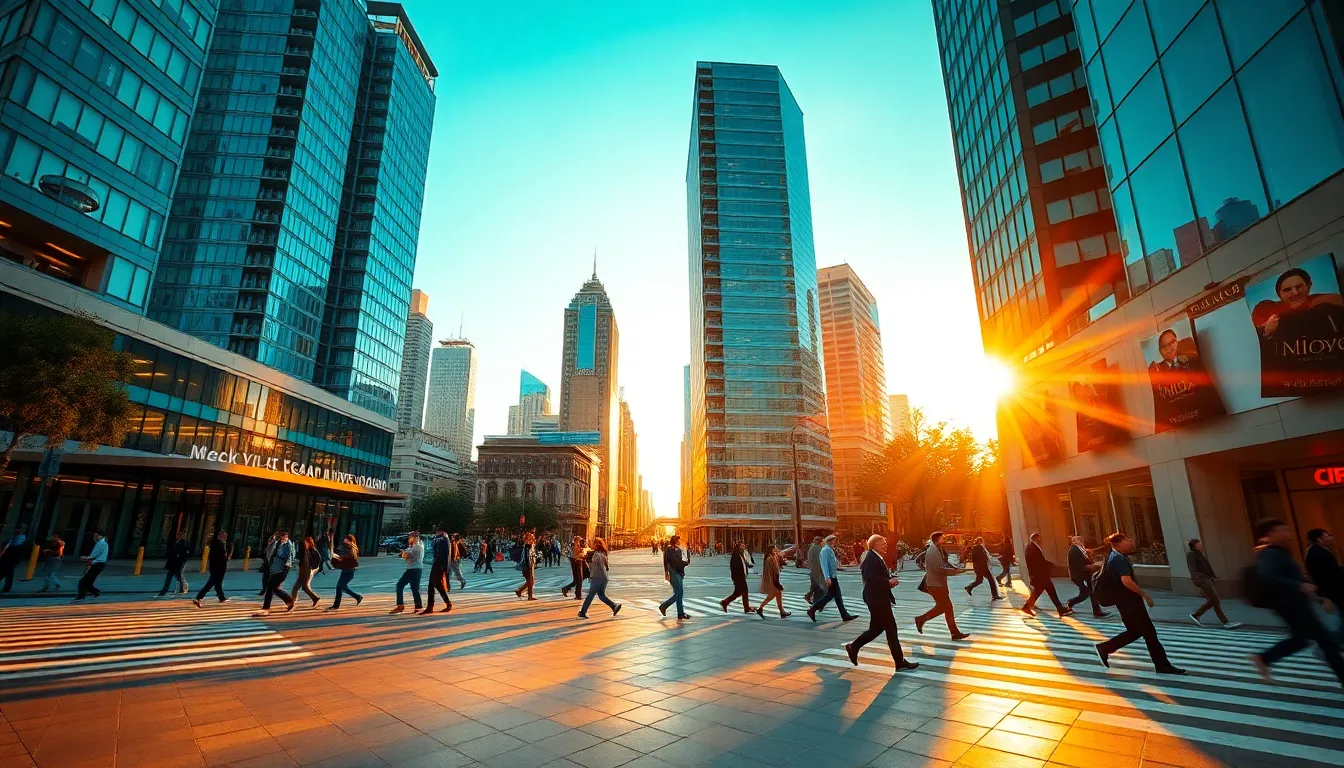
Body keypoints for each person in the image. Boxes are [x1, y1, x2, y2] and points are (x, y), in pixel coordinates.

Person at [1251, 519, 1344, 685]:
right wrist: (1299, 585)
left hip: (1296, 604)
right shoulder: (1271, 553)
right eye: (1283, 530)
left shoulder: (1281, 552)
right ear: (1271, 533)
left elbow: (1289, 576)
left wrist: (1314, 594)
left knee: (1304, 639)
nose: (1288, 534)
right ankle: (1264, 658)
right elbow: (1267, 576)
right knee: (1327, 644)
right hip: (1291, 606)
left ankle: (1265, 658)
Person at [1093, 533, 1185, 674]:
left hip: (1124, 602)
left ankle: (1105, 648)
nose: (1131, 541)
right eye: (1127, 539)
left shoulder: (1113, 556)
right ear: (1119, 543)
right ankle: (1162, 665)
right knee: (1149, 633)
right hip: (1130, 602)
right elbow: (1126, 580)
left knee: (1136, 631)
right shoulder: (1118, 559)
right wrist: (1145, 595)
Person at [844, 535, 919, 672]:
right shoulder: (871, 558)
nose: (885, 545)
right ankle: (900, 662)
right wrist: (887, 582)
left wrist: (889, 581)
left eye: (885, 543)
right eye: (882, 543)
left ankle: (854, 647)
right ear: (874, 544)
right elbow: (871, 580)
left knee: (876, 629)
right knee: (891, 630)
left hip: (877, 598)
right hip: (877, 600)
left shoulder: (876, 557)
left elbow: (876, 578)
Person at [914, 532, 969, 639]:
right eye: (942, 538)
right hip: (935, 584)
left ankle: (954, 632)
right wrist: (954, 572)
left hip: (938, 584)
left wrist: (954, 569)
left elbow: (943, 564)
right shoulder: (932, 551)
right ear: (936, 539)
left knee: (945, 608)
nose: (943, 539)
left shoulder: (937, 549)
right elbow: (937, 568)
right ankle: (921, 619)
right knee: (945, 607)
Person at [1186, 538, 1240, 629]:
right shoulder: (1191, 555)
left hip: (1207, 580)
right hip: (1203, 580)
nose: (1200, 545)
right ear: (1194, 546)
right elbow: (1193, 569)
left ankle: (1226, 622)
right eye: (1198, 544)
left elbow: (1205, 568)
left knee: (1214, 601)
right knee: (1215, 599)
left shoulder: (1199, 554)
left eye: (1200, 544)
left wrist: (1212, 577)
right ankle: (1196, 615)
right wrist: (1197, 580)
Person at [1022, 532, 1073, 618]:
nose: (1040, 540)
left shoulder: (1032, 546)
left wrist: (1050, 564)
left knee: (1042, 591)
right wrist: (1050, 565)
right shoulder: (1032, 548)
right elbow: (1037, 562)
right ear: (1036, 538)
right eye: (1039, 538)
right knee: (1050, 591)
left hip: (1040, 575)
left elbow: (1039, 561)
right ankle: (1060, 609)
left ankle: (1027, 607)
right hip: (1040, 575)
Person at [808, 534, 857, 622]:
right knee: (834, 596)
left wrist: (840, 567)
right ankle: (813, 609)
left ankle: (844, 615)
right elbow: (824, 564)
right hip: (831, 577)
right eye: (833, 540)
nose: (834, 542)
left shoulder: (829, 549)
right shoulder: (825, 550)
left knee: (835, 596)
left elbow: (833, 562)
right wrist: (827, 577)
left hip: (832, 576)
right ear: (829, 541)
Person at [1065, 535, 1108, 618]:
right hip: (1079, 576)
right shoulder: (1074, 550)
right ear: (1075, 542)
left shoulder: (1080, 550)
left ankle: (1097, 611)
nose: (1082, 542)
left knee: (1091, 593)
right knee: (1085, 593)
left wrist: (1094, 564)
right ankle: (1070, 603)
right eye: (1080, 540)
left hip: (1084, 575)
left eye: (1082, 540)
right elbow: (1079, 565)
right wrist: (1093, 566)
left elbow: (1085, 561)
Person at [578, 537, 622, 618]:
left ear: (597, 545)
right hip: (603, 577)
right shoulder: (602, 553)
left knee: (591, 594)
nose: (592, 545)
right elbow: (605, 565)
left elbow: (596, 562)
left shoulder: (597, 554)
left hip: (597, 577)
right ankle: (614, 606)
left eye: (594, 544)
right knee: (601, 595)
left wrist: (586, 557)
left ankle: (582, 612)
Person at [256, 531, 295, 616]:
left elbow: (288, 557)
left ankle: (266, 607)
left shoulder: (288, 545)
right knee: (275, 588)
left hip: (282, 569)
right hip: (276, 568)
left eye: (283, 537)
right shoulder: (279, 544)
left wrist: (284, 564)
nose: (281, 539)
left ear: (286, 537)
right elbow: (270, 553)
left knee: (270, 587)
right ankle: (289, 602)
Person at [1305, 528, 1344, 612]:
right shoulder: (1320, 552)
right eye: (1328, 535)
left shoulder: (1314, 551)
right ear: (1320, 539)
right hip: (1333, 595)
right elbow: (1332, 575)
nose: (1332, 538)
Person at [193, 530, 233, 607]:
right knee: (210, 584)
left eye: (226, 536)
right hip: (217, 567)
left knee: (218, 583)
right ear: (219, 536)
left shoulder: (220, 543)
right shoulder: (217, 543)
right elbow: (220, 556)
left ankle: (221, 597)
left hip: (218, 567)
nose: (225, 538)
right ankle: (198, 598)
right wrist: (227, 556)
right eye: (224, 536)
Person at [391, 531, 424, 614]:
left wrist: (404, 553)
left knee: (400, 585)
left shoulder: (417, 546)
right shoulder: (417, 545)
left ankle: (400, 605)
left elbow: (412, 556)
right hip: (416, 569)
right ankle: (418, 606)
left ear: (414, 537)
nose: (409, 539)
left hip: (412, 569)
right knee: (414, 589)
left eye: (410, 537)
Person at [327, 534, 363, 610]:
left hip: (350, 572)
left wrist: (337, 556)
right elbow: (342, 556)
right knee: (342, 587)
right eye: (345, 540)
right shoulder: (346, 547)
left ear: (351, 542)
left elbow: (346, 557)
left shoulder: (351, 549)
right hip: (345, 570)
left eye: (347, 540)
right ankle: (358, 597)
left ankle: (336, 605)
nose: (345, 541)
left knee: (339, 587)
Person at [754, 544, 790, 618]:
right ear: (771, 550)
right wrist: (774, 582)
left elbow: (779, 566)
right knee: (772, 595)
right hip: (772, 580)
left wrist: (780, 558)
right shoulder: (769, 559)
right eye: (774, 549)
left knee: (778, 594)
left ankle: (782, 611)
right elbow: (770, 572)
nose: (776, 550)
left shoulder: (773, 557)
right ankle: (760, 608)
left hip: (775, 579)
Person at [659, 534, 690, 619]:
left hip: (678, 573)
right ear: (676, 541)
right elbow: (678, 562)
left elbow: (682, 561)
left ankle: (679, 612)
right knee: (679, 593)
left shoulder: (676, 549)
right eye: (678, 540)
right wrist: (666, 573)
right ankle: (666, 607)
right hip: (675, 573)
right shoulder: (671, 549)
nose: (680, 541)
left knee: (679, 593)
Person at [73, 530, 108, 602]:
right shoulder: (101, 543)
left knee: (83, 581)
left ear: (101, 536)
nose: (95, 537)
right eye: (94, 536)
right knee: (88, 581)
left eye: (96, 536)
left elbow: (94, 555)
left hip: (97, 564)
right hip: (98, 564)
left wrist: (85, 558)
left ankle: (81, 596)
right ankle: (96, 592)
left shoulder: (100, 544)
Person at [424, 529, 453, 614]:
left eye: (437, 531)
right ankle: (446, 603)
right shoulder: (441, 538)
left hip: (439, 564)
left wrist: (443, 566)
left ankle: (431, 606)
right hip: (438, 563)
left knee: (433, 584)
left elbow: (445, 554)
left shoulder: (443, 539)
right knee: (436, 584)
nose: (435, 532)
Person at [720, 541, 754, 613]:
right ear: (738, 547)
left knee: (738, 593)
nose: (743, 547)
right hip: (738, 577)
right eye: (741, 546)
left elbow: (743, 564)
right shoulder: (735, 556)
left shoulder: (741, 555)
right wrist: (739, 577)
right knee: (744, 591)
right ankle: (746, 608)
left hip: (741, 577)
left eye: (743, 546)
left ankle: (725, 602)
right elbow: (735, 568)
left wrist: (748, 566)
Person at [156, 531, 193, 598]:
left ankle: (181, 589)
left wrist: (181, 560)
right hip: (172, 563)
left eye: (181, 535)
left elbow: (186, 554)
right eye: (178, 535)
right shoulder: (175, 542)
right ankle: (164, 591)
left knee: (178, 577)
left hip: (178, 564)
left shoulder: (184, 544)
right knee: (170, 577)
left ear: (184, 536)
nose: (179, 536)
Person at [964, 536, 1000, 601]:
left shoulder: (976, 548)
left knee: (979, 580)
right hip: (982, 567)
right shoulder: (979, 547)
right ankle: (995, 595)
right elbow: (983, 557)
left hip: (979, 567)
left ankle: (969, 587)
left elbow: (976, 558)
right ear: (980, 541)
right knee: (991, 580)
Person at [291, 535, 321, 608]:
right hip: (303, 571)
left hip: (307, 571)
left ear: (310, 542)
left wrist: (312, 568)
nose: (305, 543)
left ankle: (291, 602)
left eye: (306, 542)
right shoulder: (306, 550)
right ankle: (315, 598)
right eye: (304, 542)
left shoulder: (312, 551)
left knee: (296, 587)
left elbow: (318, 559)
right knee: (305, 587)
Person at [0, 524, 27, 592]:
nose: (16, 530)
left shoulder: (21, 537)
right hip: (7, 557)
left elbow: (14, 546)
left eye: (18, 529)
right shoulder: (14, 537)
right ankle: (7, 587)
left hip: (12, 558)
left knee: (8, 572)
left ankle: (7, 587)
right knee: (5, 572)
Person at [512, 532, 537, 600]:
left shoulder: (528, 546)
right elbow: (526, 557)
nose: (533, 539)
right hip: (527, 566)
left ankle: (524, 593)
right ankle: (523, 593)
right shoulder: (527, 546)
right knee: (530, 581)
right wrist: (529, 565)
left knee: (531, 581)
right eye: (532, 538)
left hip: (529, 565)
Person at [562, 535, 587, 600]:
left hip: (579, 562)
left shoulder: (578, 546)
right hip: (577, 562)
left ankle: (569, 590)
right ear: (576, 540)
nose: (581, 541)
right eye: (579, 540)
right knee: (579, 579)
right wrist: (582, 553)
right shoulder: (575, 546)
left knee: (578, 580)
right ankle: (578, 595)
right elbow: (575, 555)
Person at [804, 536, 825, 604]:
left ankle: (809, 596)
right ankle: (815, 600)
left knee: (814, 585)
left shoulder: (811, 548)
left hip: (813, 569)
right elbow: (821, 560)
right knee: (817, 585)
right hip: (818, 569)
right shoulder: (820, 549)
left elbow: (809, 559)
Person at [258, 531, 279, 597]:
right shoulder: (269, 543)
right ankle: (264, 589)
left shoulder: (277, 544)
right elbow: (266, 552)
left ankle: (272, 590)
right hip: (267, 562)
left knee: (272, 577)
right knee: (265, 577)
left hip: (273, 562)